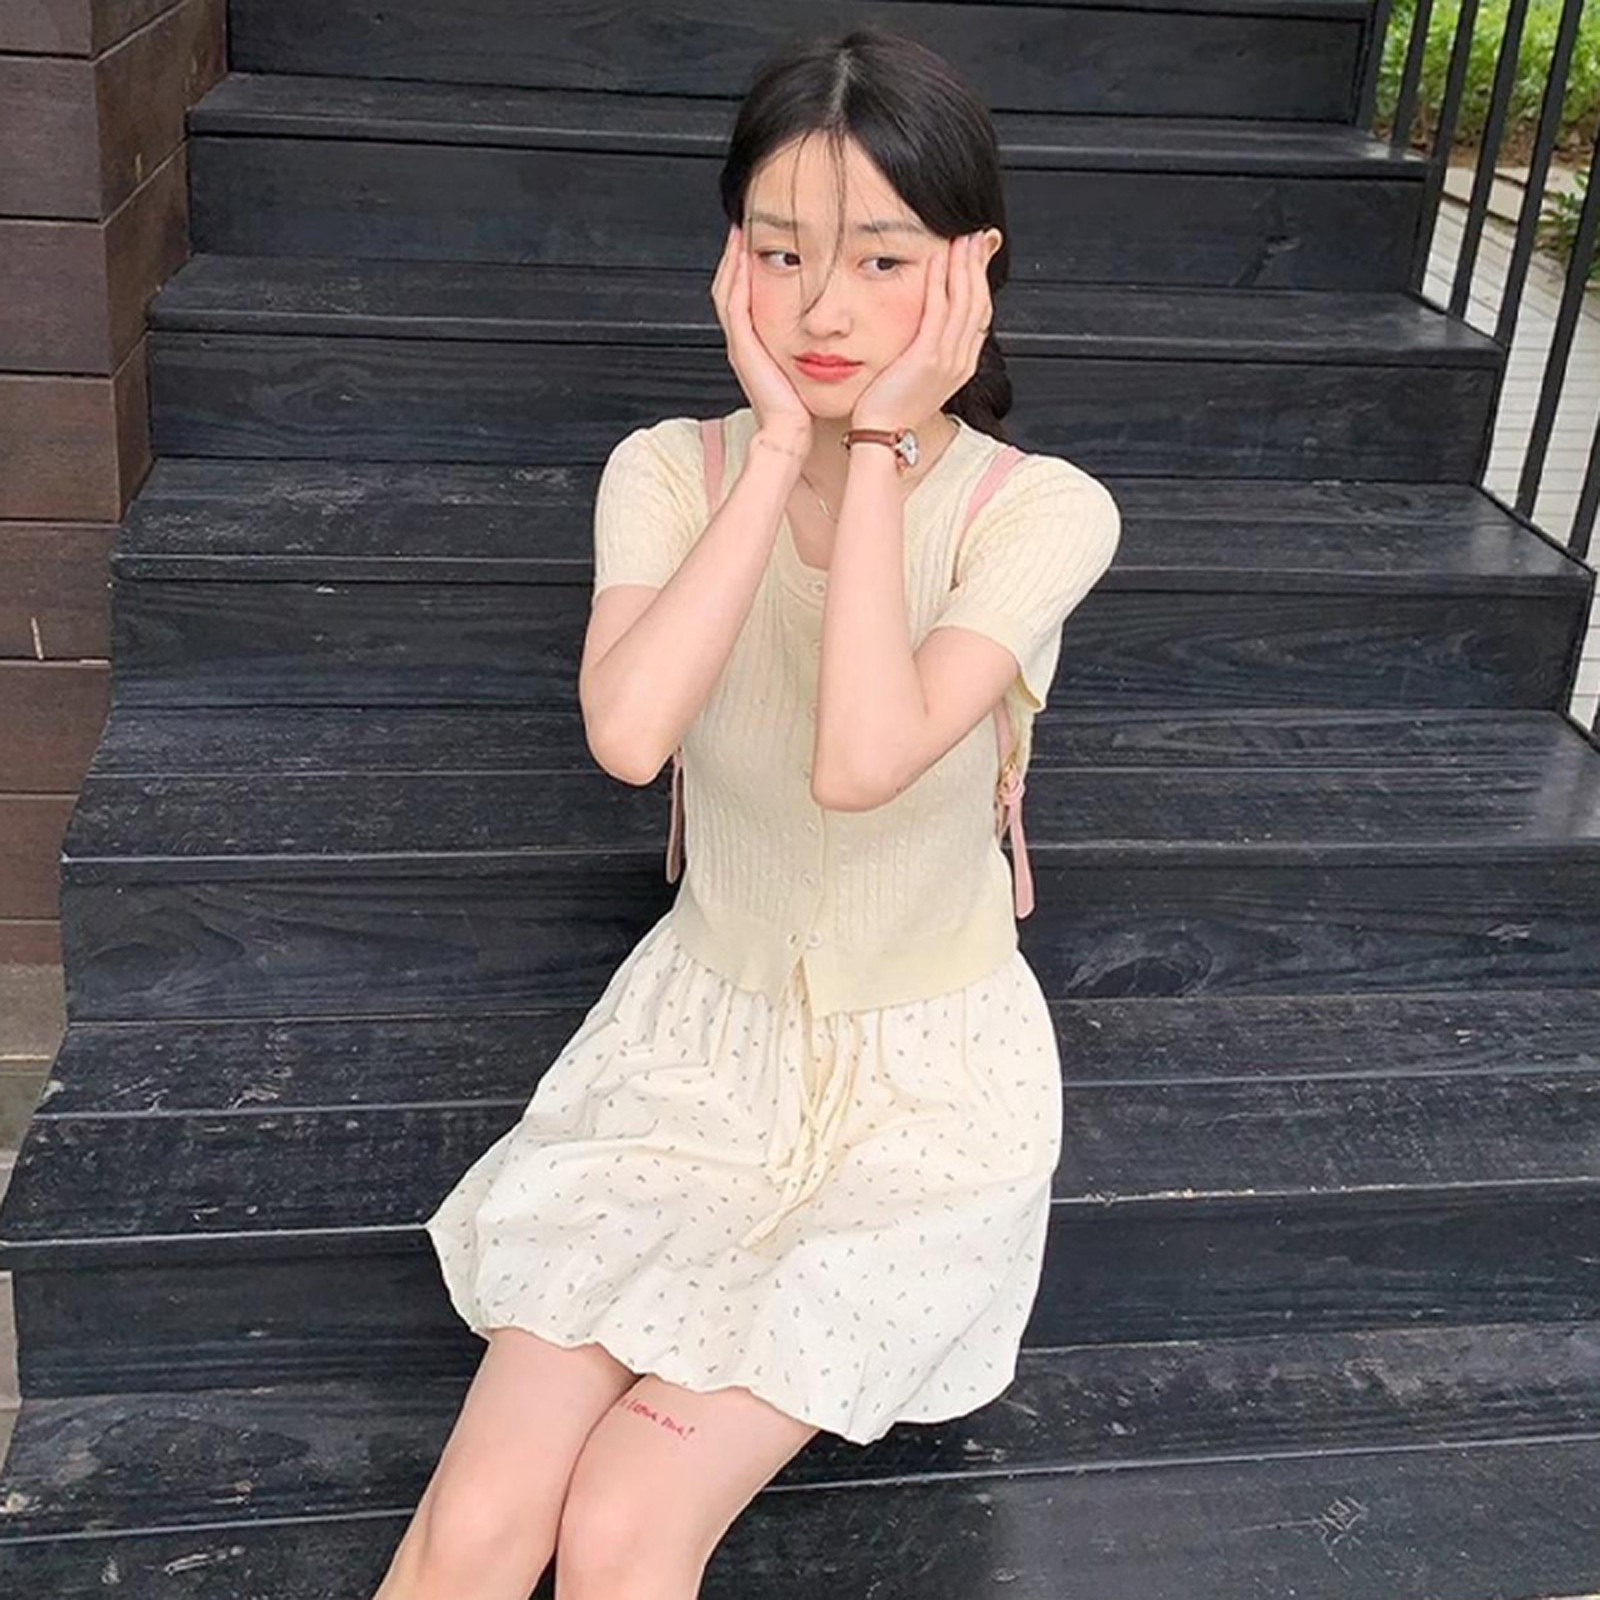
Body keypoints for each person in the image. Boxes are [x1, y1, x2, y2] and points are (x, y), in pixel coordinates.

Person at [372, 21, 1120, 1600]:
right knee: (483, 1519)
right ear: (731, 261)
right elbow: (631, 733)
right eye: (782, 253)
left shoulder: (1039, 512)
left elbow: (863, 755)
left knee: (624, 1528)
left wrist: (880, 448)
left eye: (882, 258)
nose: (824, 307)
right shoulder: (669, 472)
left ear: (970, 268)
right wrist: (783, 444)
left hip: (923, 1101)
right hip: (692, 1063)